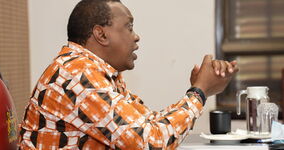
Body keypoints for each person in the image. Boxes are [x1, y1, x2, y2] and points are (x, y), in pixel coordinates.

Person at [18, 0, 238, 149]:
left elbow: (148, 124)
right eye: (129, 27)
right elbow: (151, 143)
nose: (136, 37)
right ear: (101, 34)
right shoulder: (77, 75)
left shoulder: (97, 72)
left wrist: (198, 89)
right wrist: (199, 93)